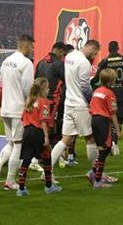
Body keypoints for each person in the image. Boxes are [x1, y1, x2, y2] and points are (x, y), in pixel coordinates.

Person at [50, 40, 101, 176]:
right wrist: (91, 100)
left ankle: (47, 171)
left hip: (69, 103)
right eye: (95, 52)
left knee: (65, 139)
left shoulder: (70, 57)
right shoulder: (84, 62)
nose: (94, 55)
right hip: (80, 105)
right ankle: (96, 173)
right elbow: (85, 86)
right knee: (90, 138)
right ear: (91, 47)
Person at [0, 34, 35, 190]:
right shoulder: (26, 63)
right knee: (18, 144)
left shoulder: (6, 62)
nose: (32, 50)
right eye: (31, 47)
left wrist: (0, 107)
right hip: (18, 109)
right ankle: (10, 181)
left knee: (10, 142)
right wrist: (30, 106)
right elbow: (27, 89)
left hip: (5, 108)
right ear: (26, 46)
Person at [16, 78, 60, 196]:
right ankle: (49, 186)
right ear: (43, 90)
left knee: (26, 159)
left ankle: (21, 188)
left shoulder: (30, 100)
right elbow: (43, 121)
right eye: (47, 88)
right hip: (38, 132)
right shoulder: (43, 102)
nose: (49, 89)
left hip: (27, 132)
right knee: (47, 157)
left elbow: (22, 118)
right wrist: (46, 137)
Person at [88, 68, 121, 188]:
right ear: (111, 80)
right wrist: (117, 129)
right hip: (103, 121)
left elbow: (90, 107)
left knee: (101, 147)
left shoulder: (96, 91)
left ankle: (94, 173)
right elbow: (113, 113)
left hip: (94, 120)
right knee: (105, 150)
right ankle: (97, 179)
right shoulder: (109, 93)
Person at [93, 42, 123, 133]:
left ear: (108, 49)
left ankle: (111, 132)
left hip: (109, 92)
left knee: (110, 113)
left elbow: (97, 77)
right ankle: (117, 131)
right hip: (122, 92)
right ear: (118, 48)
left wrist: (91, 83)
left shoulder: (105, 61)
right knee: (120, 115)